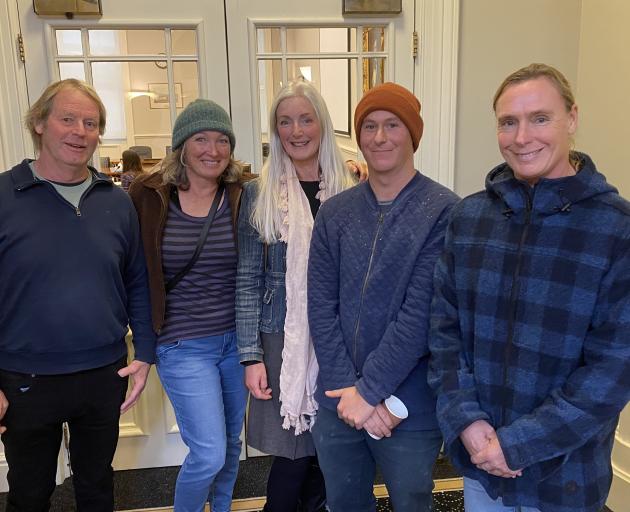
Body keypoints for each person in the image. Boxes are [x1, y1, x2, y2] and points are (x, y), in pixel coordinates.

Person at [428, 63, 630, 512]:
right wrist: (466, 420)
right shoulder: (469, 218)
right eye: (508, 122)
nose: (522, 138)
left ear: (572, 118)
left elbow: (614, 368)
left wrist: (518, 445)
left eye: (540, 118)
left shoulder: (615, 229)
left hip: (565, 476)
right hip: (481, 463)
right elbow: (445, 331)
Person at [0, 78, 155, 512]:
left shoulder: (116, 201)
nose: (79, 132)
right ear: (38, 124)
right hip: (24, 378)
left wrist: (143, 353)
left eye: (90, 123)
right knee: (30, 494)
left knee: (97, 487)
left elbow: (137, 281)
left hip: (103, 373)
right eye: (67, 119)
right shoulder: (4, 195)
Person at [307, 82, 459, 512]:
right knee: (343, 501)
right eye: (369, 126)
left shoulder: (444, 211)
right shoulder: (335, 213)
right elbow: (320, 305)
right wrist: (345, 388)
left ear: (413, 133)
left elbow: (421, 316)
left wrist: (371, 392)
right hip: (339, 400)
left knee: (412, 501)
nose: (379, 137)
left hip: (408, 404)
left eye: (392, 125)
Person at [235, 79, 358, 512]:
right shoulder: (260, 192)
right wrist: (250, 357)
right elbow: (248, 278)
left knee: (331, 446)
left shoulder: (351, 187)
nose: (297, 130)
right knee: (291, 452)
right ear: (276, 130)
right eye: (285, 121)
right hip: (281, 340)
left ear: (322, 124)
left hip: (339, 339)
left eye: (306, 119)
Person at [129, 99, 251, 512]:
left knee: (231, 444)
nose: (213, 150)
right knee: (210, 453)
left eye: (222, 140)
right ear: (182, 145)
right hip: (182, 346)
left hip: (237, 344)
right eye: (201, 138)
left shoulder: (242, 193)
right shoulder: (148, 196)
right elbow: (132, 270)